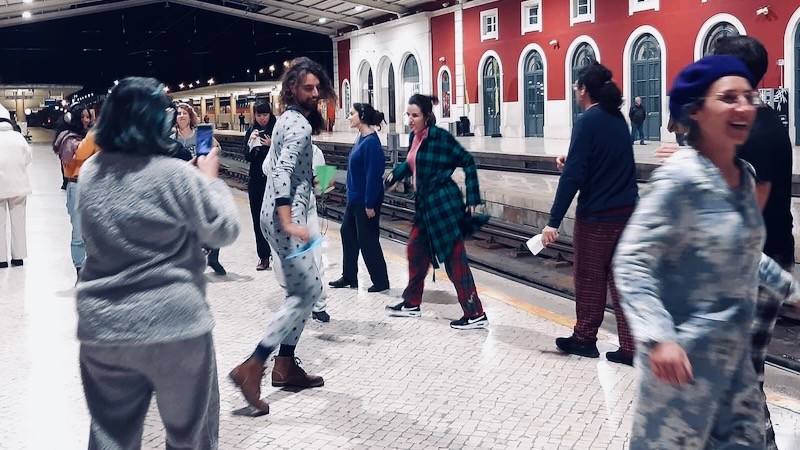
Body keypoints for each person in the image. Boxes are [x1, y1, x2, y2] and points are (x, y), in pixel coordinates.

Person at [612, 54, 782, 448]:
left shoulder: (745, 178)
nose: (744, 107)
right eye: (728, 98)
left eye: (749, 97)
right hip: (683, 368)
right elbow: (632, 261)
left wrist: (790, 291)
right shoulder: (680, 178)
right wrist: (659, 338)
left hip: (735, 368)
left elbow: (743, 254)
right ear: (696, 111)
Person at [76, 76, 239, 450]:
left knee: (111, 437)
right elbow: (223, 230)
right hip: (176, 326)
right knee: (189, 438)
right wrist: (209, 181)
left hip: (105, 328)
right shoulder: (176, 175)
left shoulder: (91, 172)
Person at [229, 57, 337, 414]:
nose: (315, 94)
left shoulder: (287, 121)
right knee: (306, 292)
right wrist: (289, 220)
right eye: (308, 88)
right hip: (283, 220)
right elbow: (280, 173)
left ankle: (285, 364)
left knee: (304, 292)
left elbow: (274, 166)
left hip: (274, 217)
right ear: (292, 88)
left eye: (317, 88)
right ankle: (253, 365)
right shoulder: (299, 126)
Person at [542, 62, 638, 366]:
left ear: (583, 89)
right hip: (627, 215)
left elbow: (573, 177)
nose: (575, 91)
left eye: (576, 86)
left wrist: (553, 221)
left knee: (589, 279)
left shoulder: (587, 121)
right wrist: (572, 159)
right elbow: (606, 160)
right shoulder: (617, 118)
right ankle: (631, 347)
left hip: (597, 217)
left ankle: (584, 339)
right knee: (622, 281)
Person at [384, 94, 489, 330]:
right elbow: (412, 162)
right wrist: (395, 174)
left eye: (415, 115)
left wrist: (472, 197)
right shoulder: (414, 137)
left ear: (427, 116)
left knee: (454, 260)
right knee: (415, 251)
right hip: (425, 208)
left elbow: (468, 161)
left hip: (443, 206)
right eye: (408, 115)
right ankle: (412, 303)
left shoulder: (440, 137)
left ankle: (475, 313)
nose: (410, 120)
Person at [329, 103, 390, 293]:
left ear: (361, 116)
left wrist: (370, 204)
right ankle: (349, 276)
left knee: (368, 240)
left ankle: (381, 281)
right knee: (347, 233)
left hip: (365, 200)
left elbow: (374, 175)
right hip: (354, 199)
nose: (349, 117)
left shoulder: (371, 143)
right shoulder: (361, 138)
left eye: (351, 114)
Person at [273, 144, 332, 323]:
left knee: (315, 258)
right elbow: (267, 169)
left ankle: (319, 304)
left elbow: (324, 186)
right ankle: (292, 299)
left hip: (307, 210)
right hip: (281, 211)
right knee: (283, 261)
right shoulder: (277, 149)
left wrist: (324, 181)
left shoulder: (315, 151)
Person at [171, 102, 227, 275]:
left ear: (190, 117)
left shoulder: (200, 134)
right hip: (182, 185)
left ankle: (214, 258)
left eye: (184, 113)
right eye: (178, 113)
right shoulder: (172, 138)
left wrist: (208, 156)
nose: (181, 116)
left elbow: (217, 147)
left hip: (202, 181)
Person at [53, 102, 91, 279]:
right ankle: (80, 269)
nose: (86, 120)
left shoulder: (89, 136)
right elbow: (79, 153)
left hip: (93, 186)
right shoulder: (67, 138)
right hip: (76, 186)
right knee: (78, 232)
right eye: (82, 117)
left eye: (88, 116)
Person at [244, 99, 276, 271]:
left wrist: (272, 145)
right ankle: (263, 256)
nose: (262, 118)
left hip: (274, 180)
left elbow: (285, 152)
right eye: (259, 115)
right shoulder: (251, 130)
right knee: (257, 218)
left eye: (265, 115)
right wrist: (251, 144)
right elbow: (247, 157)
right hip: (256, 179)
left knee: (276, 218)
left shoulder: (277, 129)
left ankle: (277, 254)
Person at [0, 104, 32, 268]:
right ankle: (18, 257)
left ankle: (1, 259)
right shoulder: (18, 137)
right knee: (18, 222)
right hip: (19, 185)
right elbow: (28, 158)